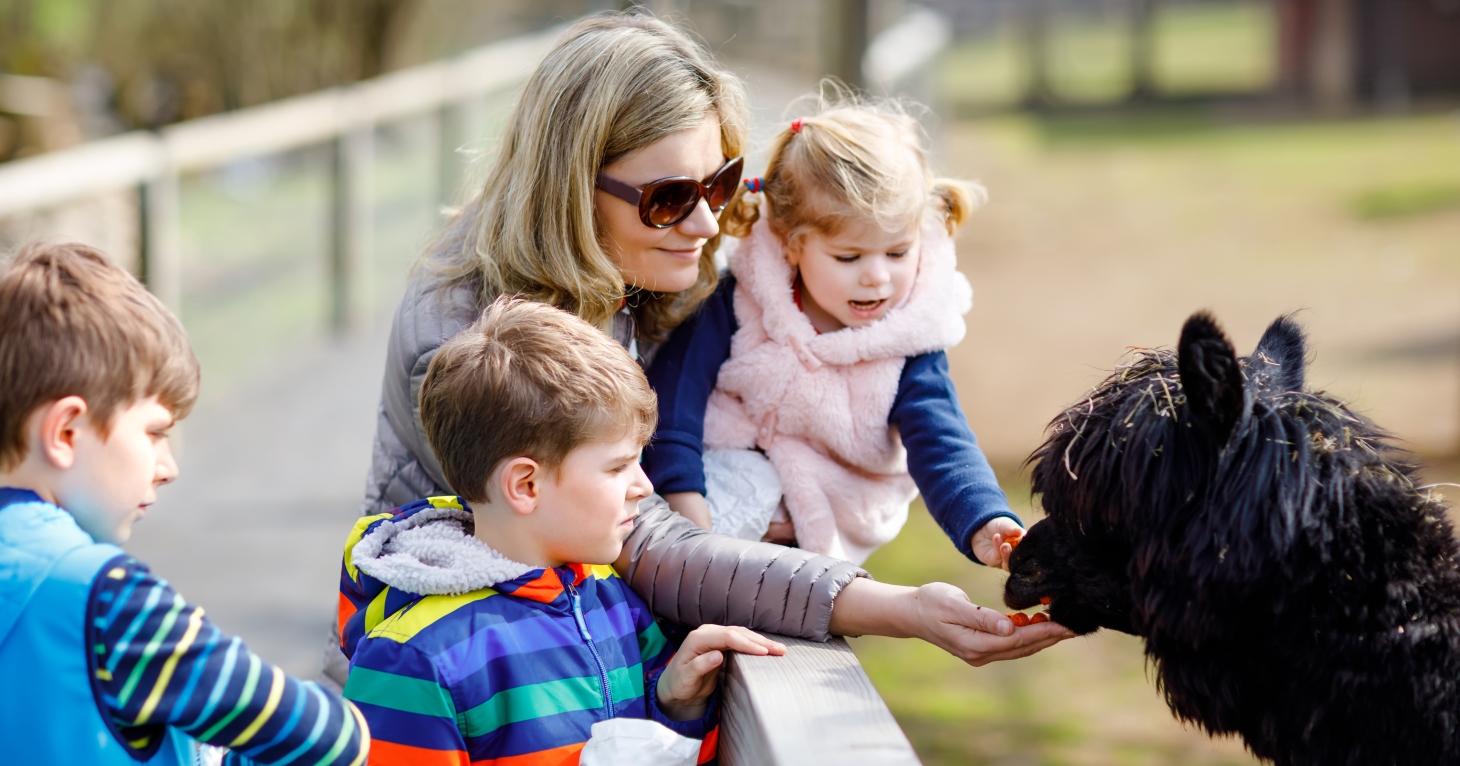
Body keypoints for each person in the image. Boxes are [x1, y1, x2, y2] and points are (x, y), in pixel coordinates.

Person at [328, 11, 1070, 687]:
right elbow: (652, 547)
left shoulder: (646, 269)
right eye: (668, 199)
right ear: (571, 186)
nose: (707, 224)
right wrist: (901, 609)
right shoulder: (476, 347)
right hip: (463, 688)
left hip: (570, 649)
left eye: (719, 183)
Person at [339, 298, 784, 764]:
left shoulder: (613, 599)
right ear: (526, 485)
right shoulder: (414, 661)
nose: (645, 485)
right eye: (617, 467)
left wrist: (674, 703)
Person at [0, 243, 368, 765]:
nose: (168, 466)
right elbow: (327, 738)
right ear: (65, 431)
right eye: (154, 432)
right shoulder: (111, 605)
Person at [644, 100, 1022, 567]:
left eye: (898, 253)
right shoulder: (739, 301)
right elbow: (674, 401)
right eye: (849, 257)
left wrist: (984, 519)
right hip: (714, 493)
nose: (877, 278)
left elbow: (941, 438)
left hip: (823, 522)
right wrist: (686, 504)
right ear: (790, 242)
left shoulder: (909, 337)